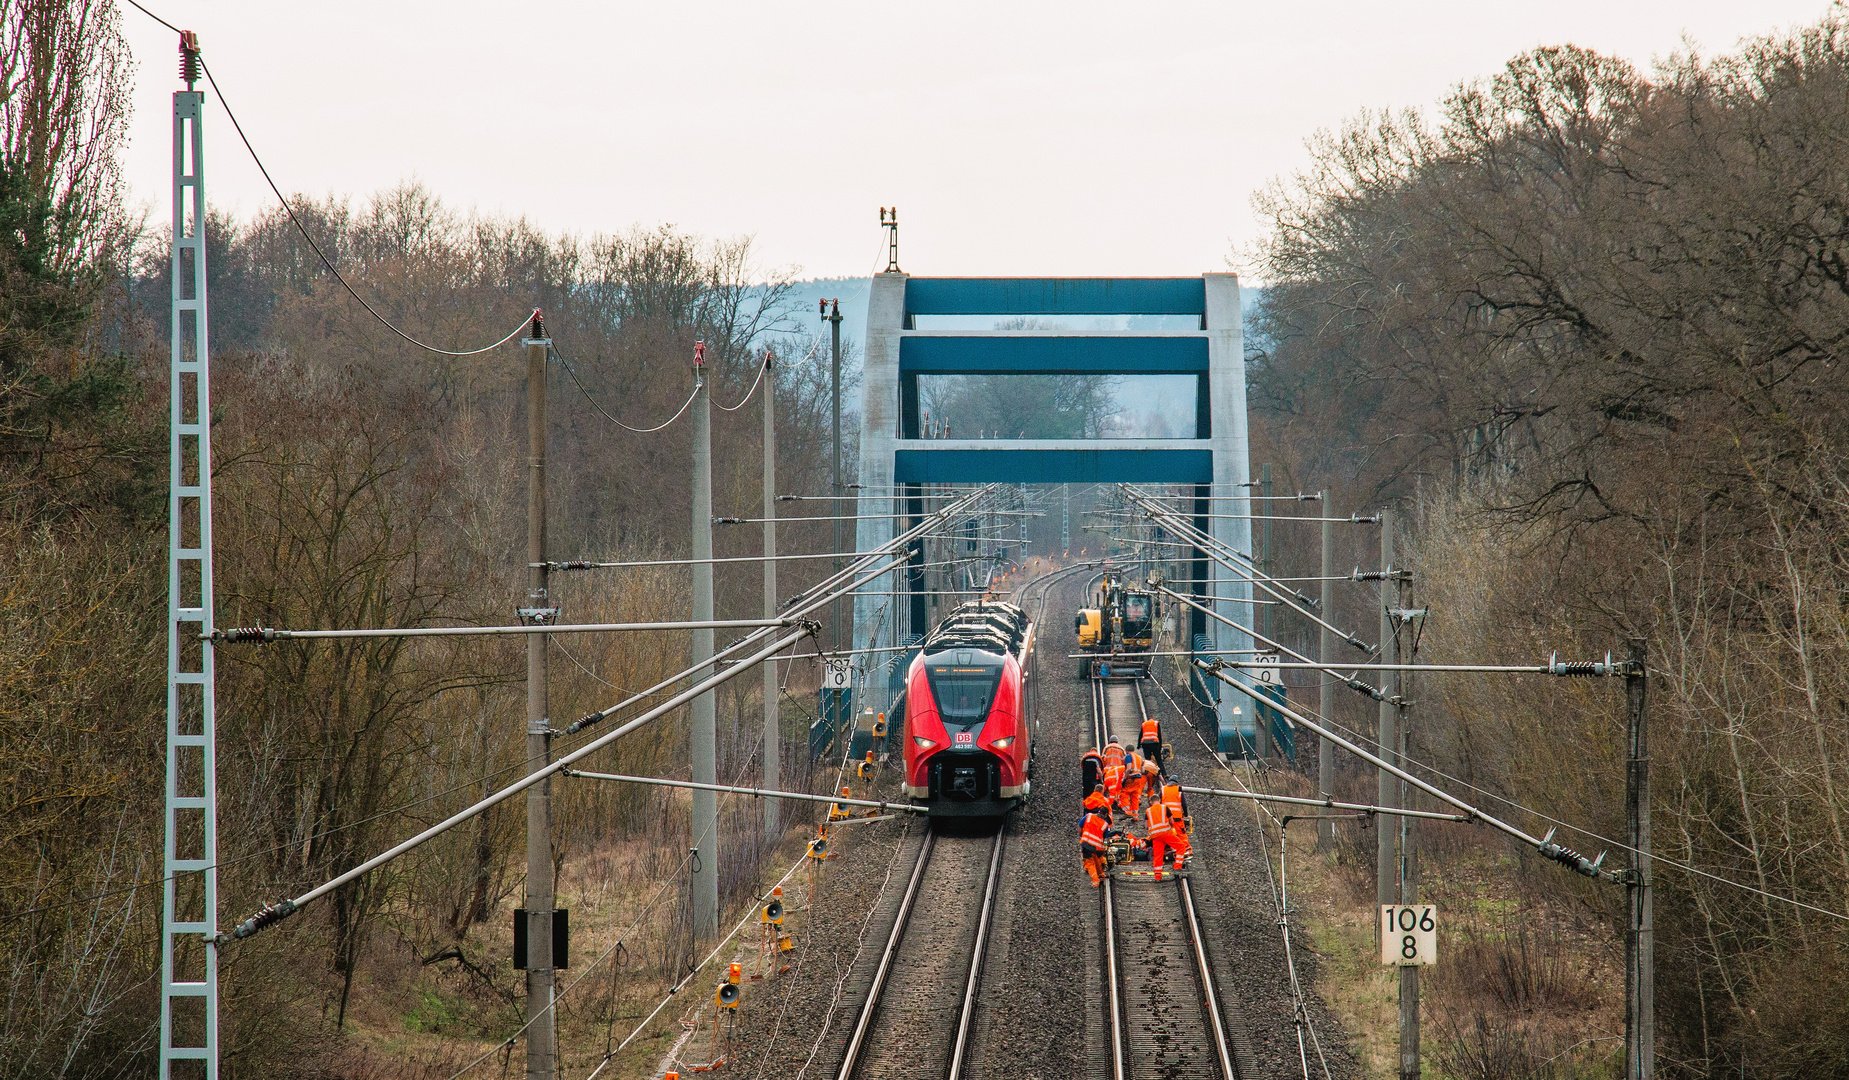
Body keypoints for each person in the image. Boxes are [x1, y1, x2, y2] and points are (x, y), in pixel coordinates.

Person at [1080, 789, 1117, 887]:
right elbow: (1105, 836)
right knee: (1097, 860)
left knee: (1089, 863)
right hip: (1098, 847)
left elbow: (1079, 826)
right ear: (1105, 815)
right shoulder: (1105, 825)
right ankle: (1100, 876)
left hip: (1086, 843)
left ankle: (1096, 879)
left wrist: (1082, 836)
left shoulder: (1089, 816)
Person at [1117, 751, 1147, 817]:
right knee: (1135, 797)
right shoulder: (1139, 758)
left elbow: (1128, 768)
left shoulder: (1129, 756)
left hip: (1131, 778)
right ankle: (1135, 815)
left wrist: (1124, 778)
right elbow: (1143, 770)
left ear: (1127, 751)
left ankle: (1127, 812)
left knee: (1124, 794)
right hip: (1138, 779)